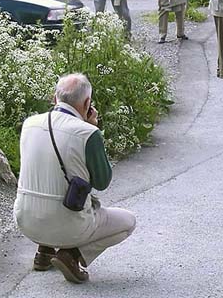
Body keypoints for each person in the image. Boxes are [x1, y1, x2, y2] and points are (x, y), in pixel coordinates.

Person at [14, 73, 136, 283]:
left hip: (25, 221)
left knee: (45, 181)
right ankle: (71, 255)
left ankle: (44, 252)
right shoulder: (88, 133)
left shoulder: (29, 124)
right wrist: (94, 129)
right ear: (87, 102)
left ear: (55, 99)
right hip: (69, 226)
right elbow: (102, 182)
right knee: (128, 222)